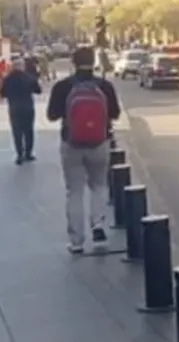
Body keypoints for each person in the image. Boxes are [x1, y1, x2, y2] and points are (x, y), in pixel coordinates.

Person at [46, 46, 121, 254]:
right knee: (99, 186)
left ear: (73, 62)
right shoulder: (104, 86)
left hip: (71, 144)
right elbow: (115, 114)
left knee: (74, 191)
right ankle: (98, 224)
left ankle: (77, 241)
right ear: (94, 61)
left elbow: (51, 115)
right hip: (100, 143)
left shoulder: (63, 87)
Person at [0, 57, 42, 164]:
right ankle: (28, 153)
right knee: (29, 131)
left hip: (14, 108)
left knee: (17, 131)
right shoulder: (29, 77)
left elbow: (3, 93)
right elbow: (38, 90)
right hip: (28, 107)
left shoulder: (7, 79)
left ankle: (19, 154)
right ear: (22, 67)